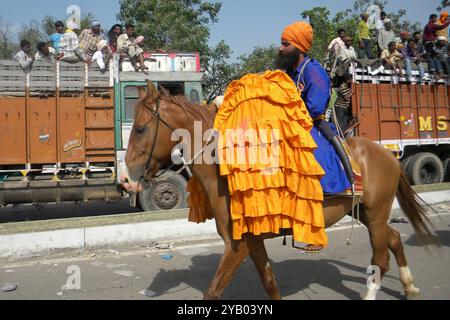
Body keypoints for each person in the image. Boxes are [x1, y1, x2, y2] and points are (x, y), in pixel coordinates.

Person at [276, 21, 353, 251]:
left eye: (285, 44)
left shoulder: (314, 70)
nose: (280, 48)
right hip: (287, 124)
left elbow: (316, 106)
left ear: (299, 47)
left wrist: (290, 118)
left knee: (310, 160)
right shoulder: (286, 73)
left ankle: (318, 212)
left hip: (311, 125)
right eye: (281, 43)